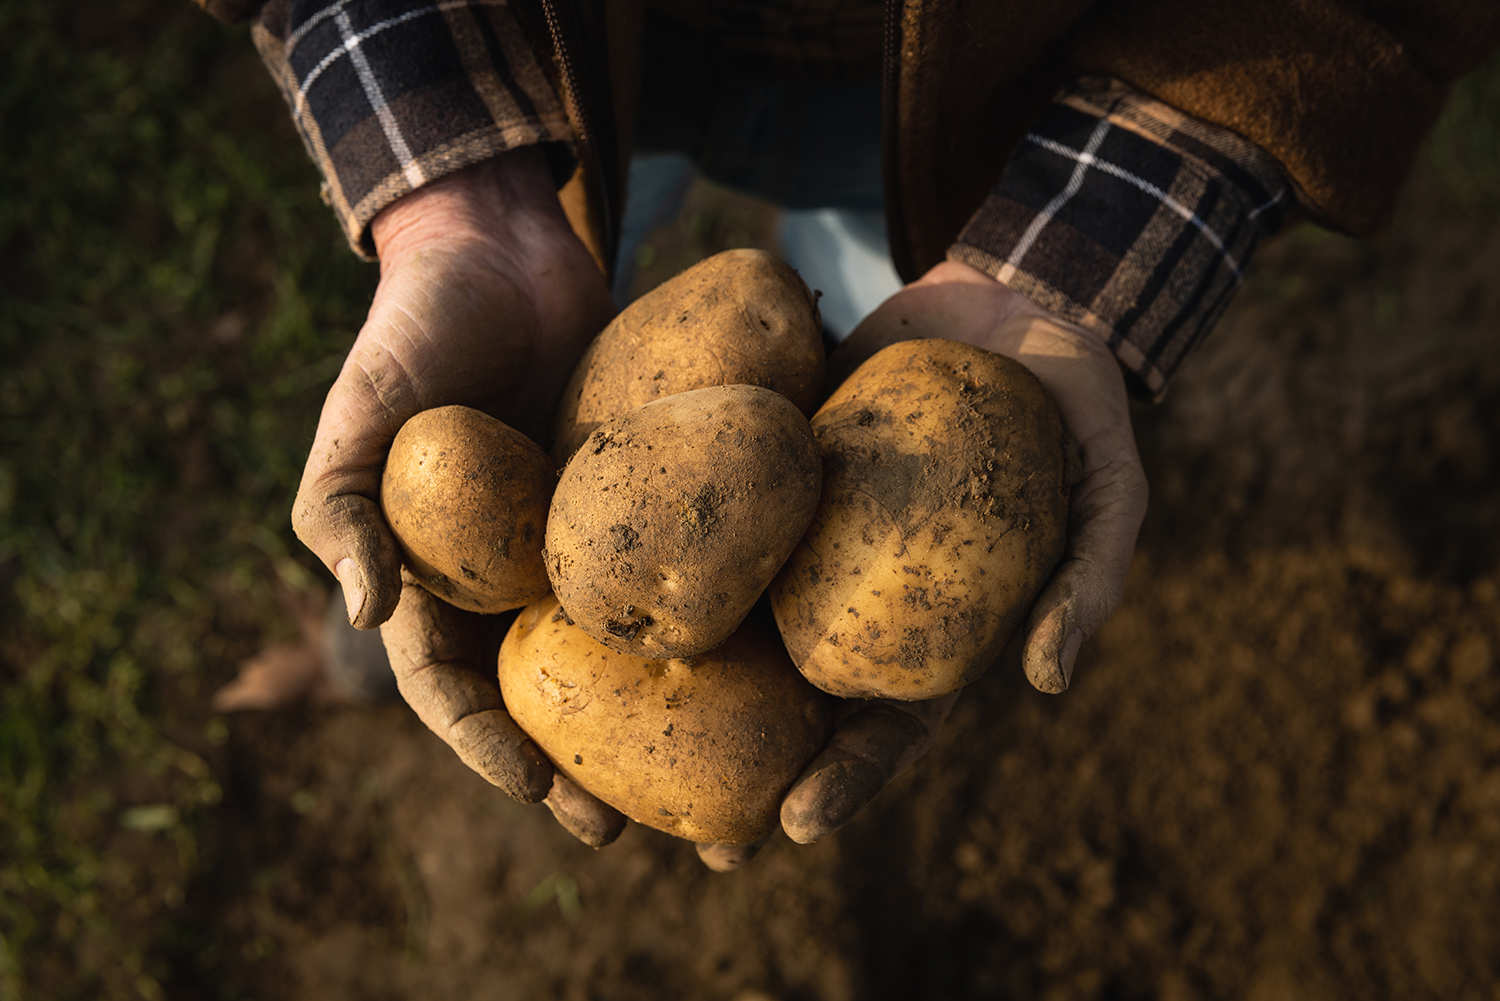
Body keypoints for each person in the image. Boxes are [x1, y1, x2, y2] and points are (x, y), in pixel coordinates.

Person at [197, 0, 1500, 870]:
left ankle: (366, 636)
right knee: (443, 466)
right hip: (542, 44)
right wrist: (449, 190)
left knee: (866, 311)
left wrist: (1068, 272)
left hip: (1003, 98)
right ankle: (359, 647)